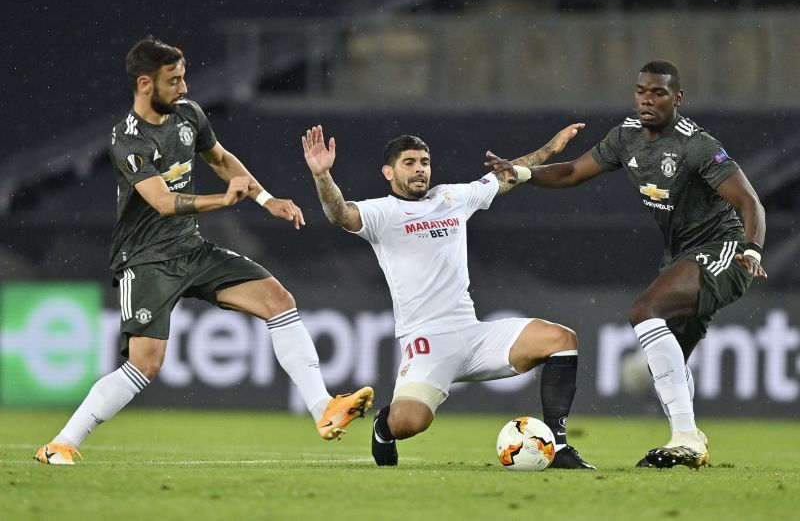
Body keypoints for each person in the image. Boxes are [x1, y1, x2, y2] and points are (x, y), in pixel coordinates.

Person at [34, 37, 373, 465]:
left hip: (191, 249)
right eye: (173, 81)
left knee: (279, 301)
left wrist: (266, 200)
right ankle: (61, 444)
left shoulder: (188, 116)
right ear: (144, 83)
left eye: (184, 77)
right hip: (146, 261)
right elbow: (161, 201)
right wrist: (223, 202)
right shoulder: (128, 139)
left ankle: (323, 408)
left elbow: (220, 159)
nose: (184, 88)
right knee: (145, 366)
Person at [485, 60, 767, 469]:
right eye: (641, 91)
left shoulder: (696, 144)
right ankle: (689, 439)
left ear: (678, 98)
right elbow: (571, 173)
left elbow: (749, 202)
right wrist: (523, 172)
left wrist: (752, 249)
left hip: (725, 250)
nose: (647, 100)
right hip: (682, 256)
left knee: (643, 310)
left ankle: (685, 436)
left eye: (658, 93)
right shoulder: (626, 137)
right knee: (669, 365)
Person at [301, 124, 595, 469]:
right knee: (410, 422)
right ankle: (384, 425)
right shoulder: (382, 212)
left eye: (424, 161)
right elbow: (340, 213)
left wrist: (550, 150)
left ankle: (558, 448)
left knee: (560, 339)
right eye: (408, 162)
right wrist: (322, 176)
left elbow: (506, 175)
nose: (419, 168)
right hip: (426, 340)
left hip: (472, 333)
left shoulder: (452, 197)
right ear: (388, 172)